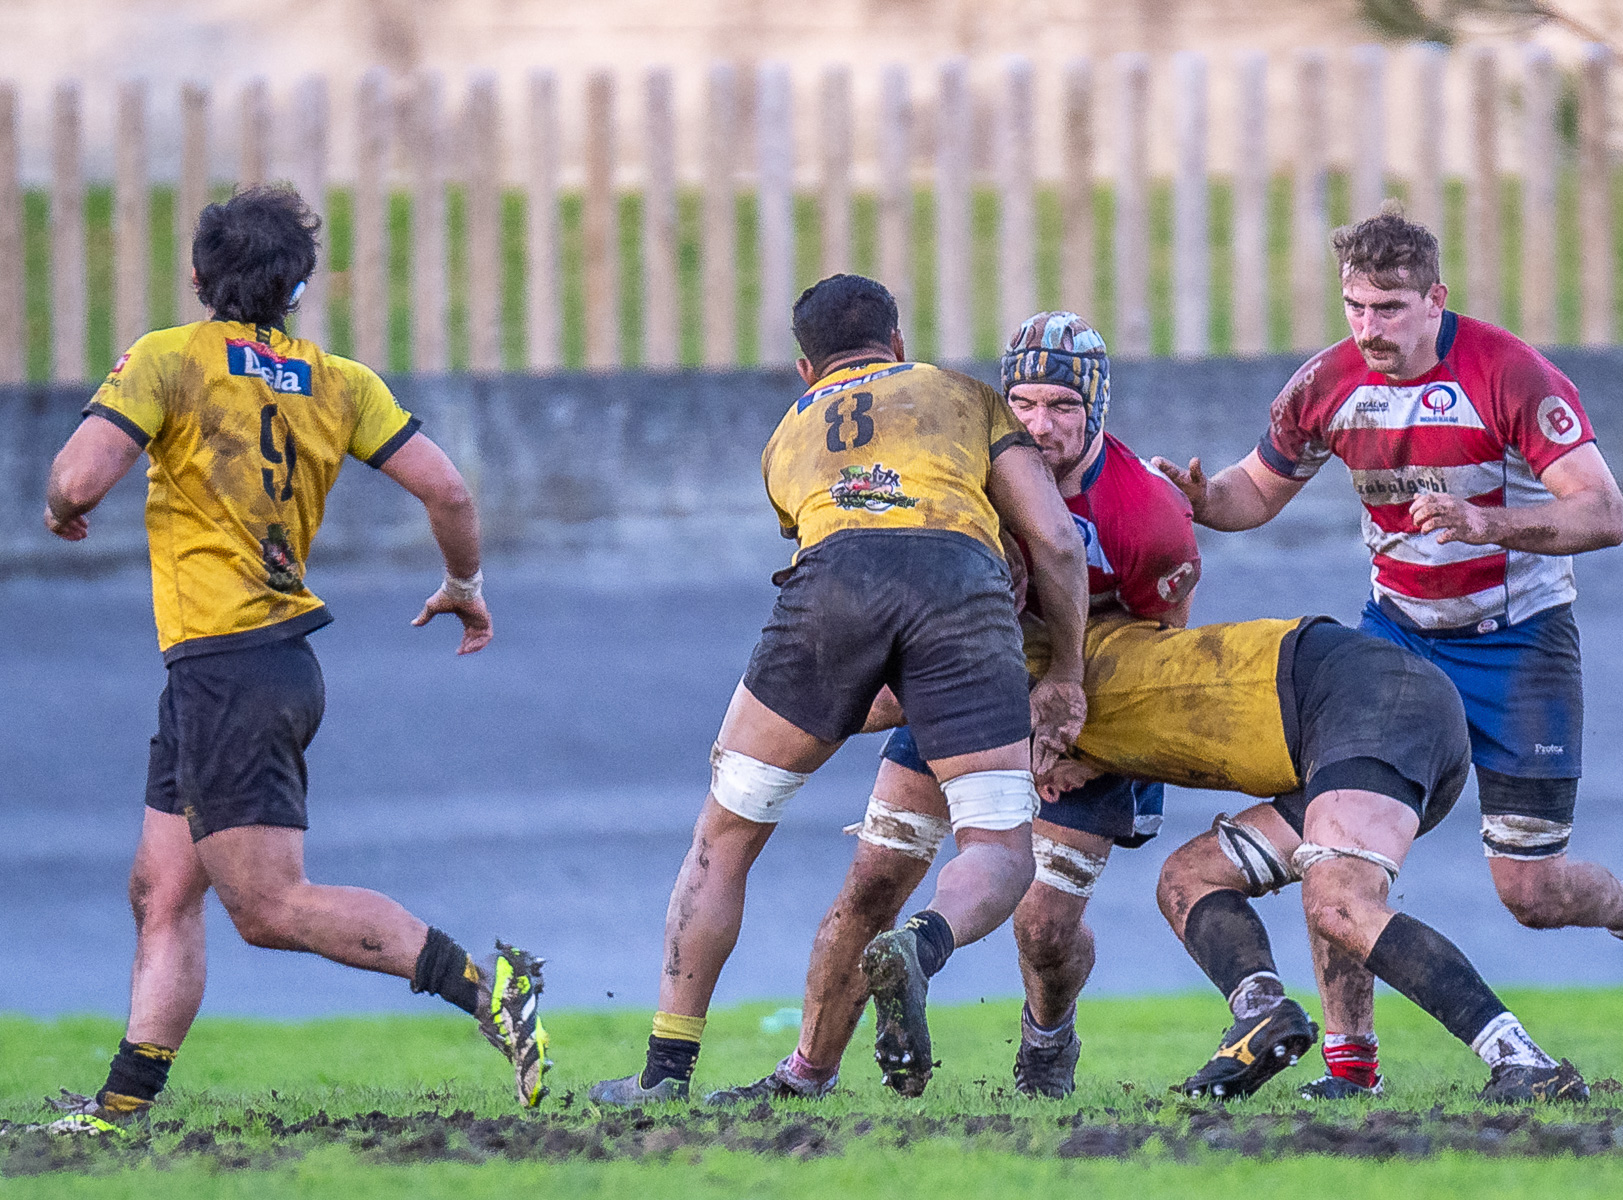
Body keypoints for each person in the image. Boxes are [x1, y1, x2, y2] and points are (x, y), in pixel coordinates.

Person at [711, 312, 1587, 1106]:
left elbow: (1164, 655)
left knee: (1054, 924)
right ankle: (807, 1073)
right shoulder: (967, 470)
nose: (1042, 424)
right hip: (977, 682)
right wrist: (824, 702)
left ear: (1095, 409)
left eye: (1061, 404)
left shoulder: (1146, 517)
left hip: (1121, 705)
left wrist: (1082, 731)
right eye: (1023, 402)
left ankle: (1050, 1037)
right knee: (882, 880)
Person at [1153, 207, 1623, 1099]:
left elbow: (1605, 513)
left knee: (1529, 892)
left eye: (1388, 307)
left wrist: (1486, 522)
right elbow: (1250, 496)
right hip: (1396, 644)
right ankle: (1350, 1068)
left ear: (1435, 300)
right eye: (1354, 307)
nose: (1368, 328)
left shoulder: (1510, 375)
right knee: (1331, 851)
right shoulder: (1325, 385)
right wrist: (1199, 499)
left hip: (1519, 645)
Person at [40, 187, 549, 1128]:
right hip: (243, 670)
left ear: (198, 276)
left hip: (230, 665)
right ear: (298, 287)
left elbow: (77, 476)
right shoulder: (339, 381)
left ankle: (488, 986)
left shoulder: (169, 359)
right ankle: (121, 1107)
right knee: (162, 887)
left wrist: (67, 509)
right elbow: (447, 491)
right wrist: (465, 584)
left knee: (269, 908)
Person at [587, 276, 1090, 1105]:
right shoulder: (962, 394)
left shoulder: (786, 436)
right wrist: (1064, 673)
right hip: (960, 588)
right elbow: (1058, 544)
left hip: (832, 585)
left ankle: (664, 1073)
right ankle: (923, 944)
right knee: (999, 848)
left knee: (724, 837)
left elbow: (851, 569)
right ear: (898, 343)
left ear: (803, 368)